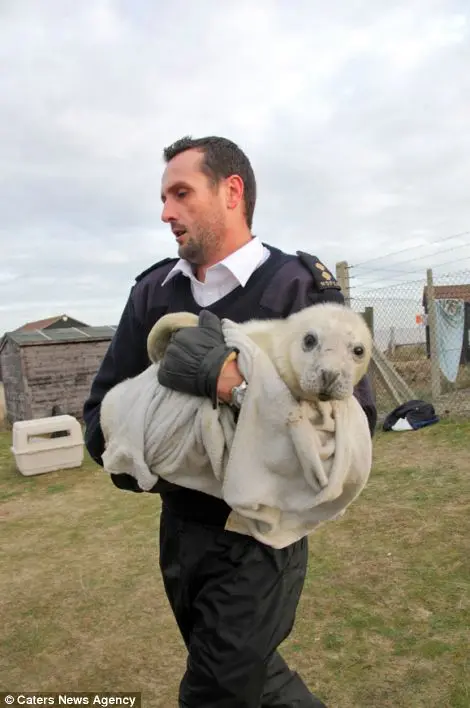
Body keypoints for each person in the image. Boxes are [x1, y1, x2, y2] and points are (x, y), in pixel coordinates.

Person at [83, 135, 377, 708]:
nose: (165, 212)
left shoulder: (298, 288)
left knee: (214, 691)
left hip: (259, 540)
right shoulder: (152, 295)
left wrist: (241, 387)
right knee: (251, 682)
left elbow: (354, 423)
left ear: (231, 192)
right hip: (180, 536)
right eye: (164, 197)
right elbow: (100, 421)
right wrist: (155, 442)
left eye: (181, 193)